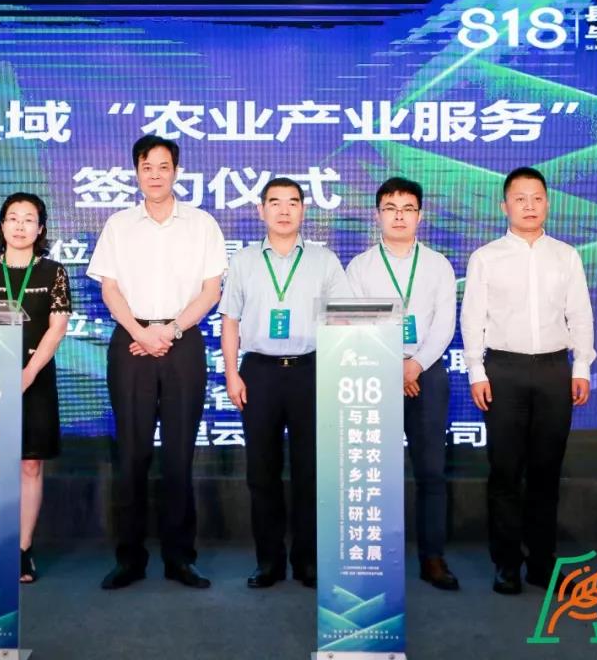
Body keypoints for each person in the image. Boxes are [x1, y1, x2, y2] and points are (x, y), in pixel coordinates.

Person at [86, 134, 227, 590]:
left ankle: (180, 558)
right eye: (147, 167)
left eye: (164, 167)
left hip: (181, 341)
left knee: (180, 456)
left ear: (176, 172)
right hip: (132, 341)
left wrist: (169, 331)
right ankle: (129, 558)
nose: (155, 175)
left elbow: (211, 291)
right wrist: (141, 332)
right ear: (136, 172)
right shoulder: (119, 225)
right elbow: (109, 288)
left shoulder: (201, 224)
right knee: (132, 455)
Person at [460, 166, 595, 595]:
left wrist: (581, 366)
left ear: (548, 203)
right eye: (520, 198)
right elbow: (473, 319)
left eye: (537, 198)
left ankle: (541, 564)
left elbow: (580, 314)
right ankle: (506, 564)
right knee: (505, 472)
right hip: (504, 371)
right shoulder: (486, 257)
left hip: (554, 370)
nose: (529, 206)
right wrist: (477, 371)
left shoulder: (566, 256)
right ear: (505, 206)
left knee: (545, 473)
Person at [220, 177, 351, 590]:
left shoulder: (324, 260)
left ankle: (307, 561)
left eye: (292, 202)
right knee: (262, 472)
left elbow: (343, 319)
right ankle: (269, 562)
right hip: (259, 372)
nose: (283, 210)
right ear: (261, 210)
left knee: (311, 472)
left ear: (303, 210)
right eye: (274, 202)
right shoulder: (243, 260)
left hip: (311, 370)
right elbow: (230, 321)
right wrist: (231, 372)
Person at [345, 177, 460, 591]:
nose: (399, 216)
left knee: (431, 472)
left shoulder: (438, 265)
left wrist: (415, 365)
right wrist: (393, 365)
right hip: (374, 374)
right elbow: (353, 323)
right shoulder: (360, 267)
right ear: (377, 215)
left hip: (427, 375)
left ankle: (433, 558)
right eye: (390, 208)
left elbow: (444, 324)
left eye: (408, 208)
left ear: (420, 216)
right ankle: (375, 559)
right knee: (374, 475)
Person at [0, 192, 71, 583]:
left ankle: (23, 550)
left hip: (36, 376)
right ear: (2, 225)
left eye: (29, 219)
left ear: (41, 228)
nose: (20, 226)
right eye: (13, 218)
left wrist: (27, 373)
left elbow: (56, 328)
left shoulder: (53, 272)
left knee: (30, 464)